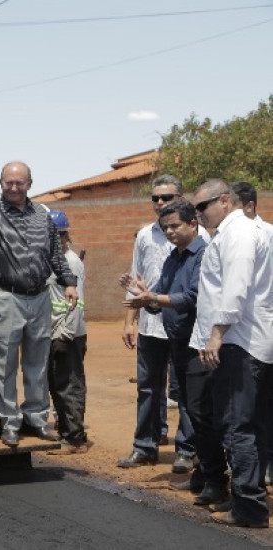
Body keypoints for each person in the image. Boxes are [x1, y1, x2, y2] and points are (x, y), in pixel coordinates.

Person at [0, 156, 76, 447]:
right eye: (8, 182)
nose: (13, 187)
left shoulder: (42, 217)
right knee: (5, 362)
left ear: (29, 184)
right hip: (6, 297)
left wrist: (69, 282)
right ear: (0, 184)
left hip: (39, 298)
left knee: (37, 362)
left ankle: (36, 418)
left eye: (19, 182)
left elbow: (55, 256)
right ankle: (9, 421)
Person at [121, 201, 227, 507]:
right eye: (165, 227)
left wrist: (153, 297)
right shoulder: (172, 257)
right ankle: (203, 472)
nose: (169, 232)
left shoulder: (203, 255)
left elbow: (192, 297)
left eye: (175, 226)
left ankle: (217, 479)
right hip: (177, 343)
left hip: (199, 344)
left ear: (193, 224)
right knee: (190, 409)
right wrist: (146, 296)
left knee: (201, 412)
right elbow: (162, 298)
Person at [190, 179, 273, 528]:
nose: (198, 214)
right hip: (245, 340)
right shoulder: (231, 233)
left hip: (239, 342)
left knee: (238, 426)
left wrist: (216, 335)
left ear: (224, 201)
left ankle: (250, 509)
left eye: (201, 207)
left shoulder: (238, 234)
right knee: (247, 425)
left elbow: (235, 291)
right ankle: (246, 499)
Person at [118, 175, 200, 472]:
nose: (161, 203)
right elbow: (136, 278)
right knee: (149, 388)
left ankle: (187, 450)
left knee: (186, 392)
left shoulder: (196, 235)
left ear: (182, 198)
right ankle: (145, 446)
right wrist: (130, 322)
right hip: (151, 325)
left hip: (184, 326)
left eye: (167, 197)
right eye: (156, 199)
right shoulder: (145, 235)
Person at [231, 181, 273, 487]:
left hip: (256, 331)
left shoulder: (263, 234)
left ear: (249, 206)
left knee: (257, 410)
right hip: (255, 332)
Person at [45, 210, 88, 454]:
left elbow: (76, 304)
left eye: (57, 235)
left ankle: (74, 438)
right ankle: (65, 430)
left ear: (64, 236)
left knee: (69, 385)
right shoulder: (52, 260)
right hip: (54, 332)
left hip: (67, 334)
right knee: (56, 384)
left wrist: (66, 333)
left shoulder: (71, 262)